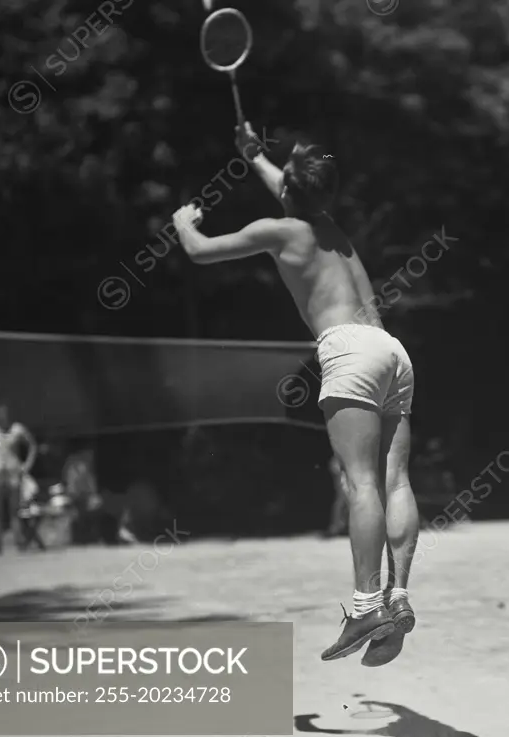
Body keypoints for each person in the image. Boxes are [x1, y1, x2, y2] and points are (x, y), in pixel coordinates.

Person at [173, 123, 419, 666]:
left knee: (358, 483)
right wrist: (256, 156)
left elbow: (200, 252)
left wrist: (183, 223)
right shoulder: (334, 231)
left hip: (348, 352)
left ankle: (364, 606)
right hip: (392, 351)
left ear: (289, 190)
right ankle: (396, 596)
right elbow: (296, 189)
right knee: (394, 479)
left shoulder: (280, 231)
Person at [0, 404, 37, 554]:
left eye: (6, 414)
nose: (4, 417)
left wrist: (27, 464)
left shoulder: (17, 430)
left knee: (14, 511)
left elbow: (32, 445)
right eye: (1, 414)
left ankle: (19, 543)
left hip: (13, 476)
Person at [323, 454, 349, 538]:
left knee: (345, 503)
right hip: (344, 478)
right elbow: (335, 468)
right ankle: (336, 527)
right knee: (340, 502)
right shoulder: (338, 455)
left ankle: (342, 526)